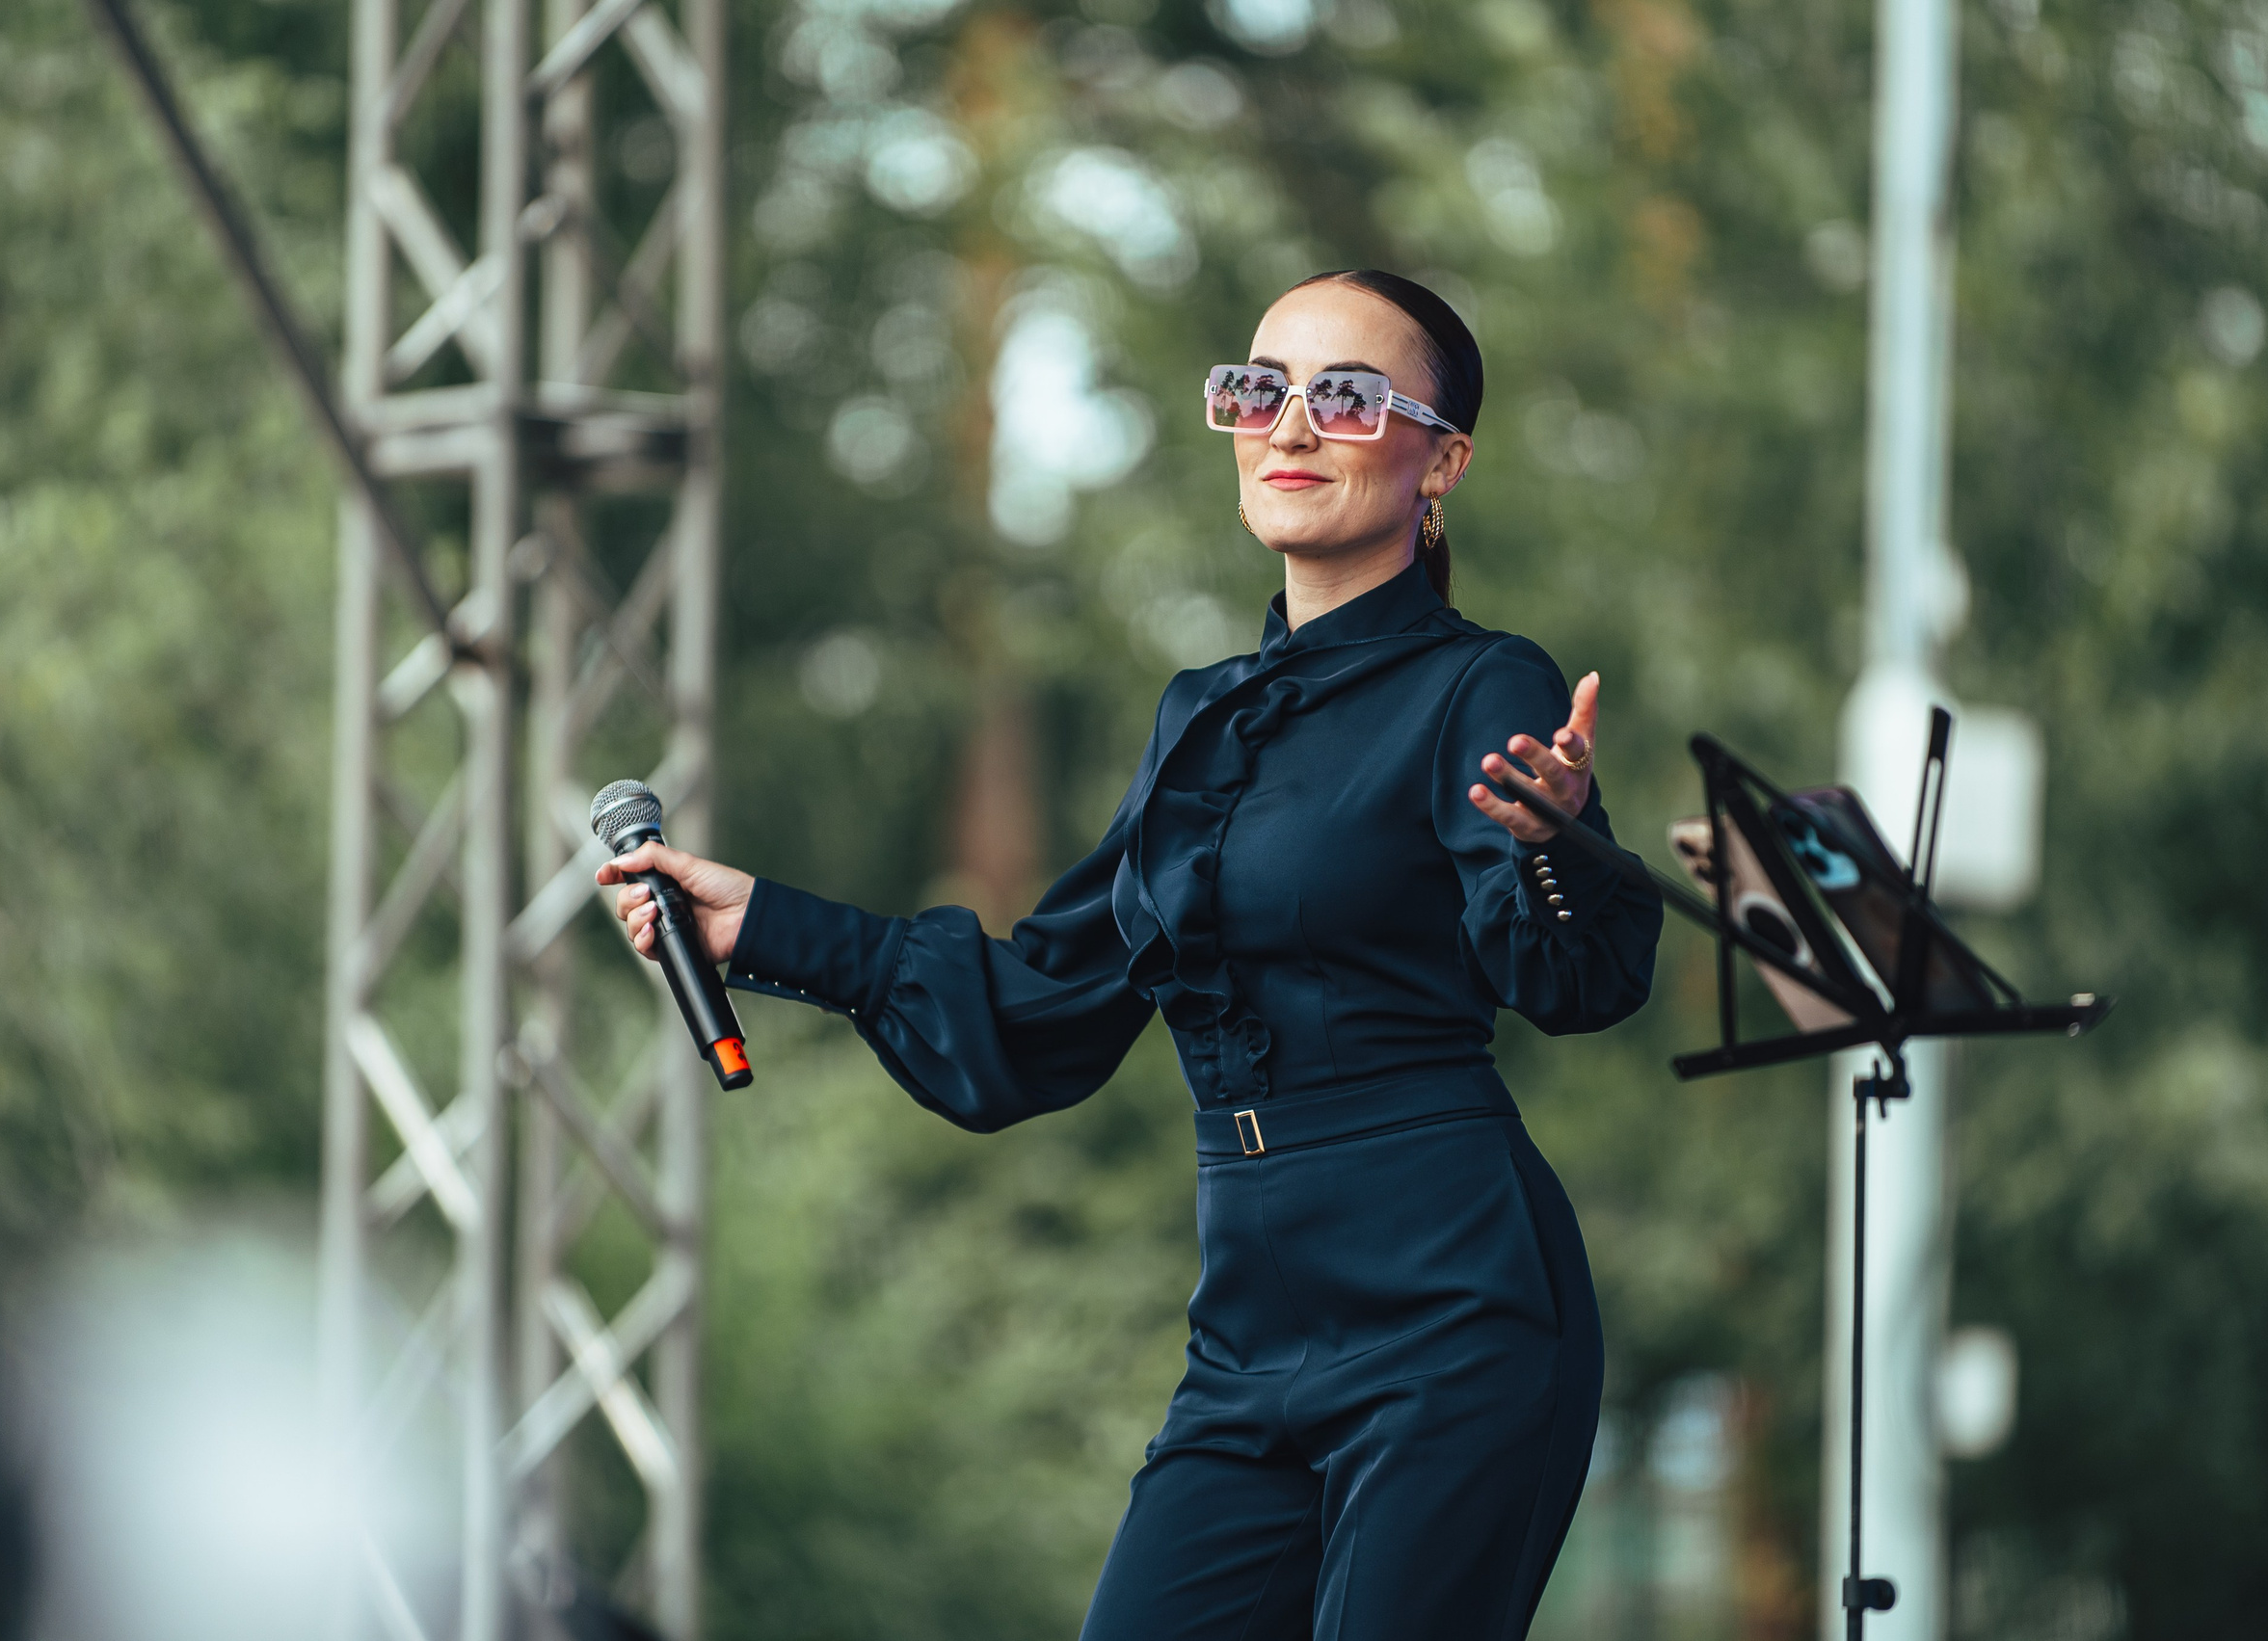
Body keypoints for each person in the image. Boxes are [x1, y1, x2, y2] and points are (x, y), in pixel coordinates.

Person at [600, 270, 1665, 1639]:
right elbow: (1046, 1001)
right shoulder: (1200, 721)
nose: (1290, 425)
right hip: (1250, 1326)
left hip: (1450, 1305)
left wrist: (1555, 842)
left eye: (1344, 398)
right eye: (1256, 390)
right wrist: (768, 928)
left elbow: (1574, 980)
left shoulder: (1484, 685)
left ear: (1439, 460)